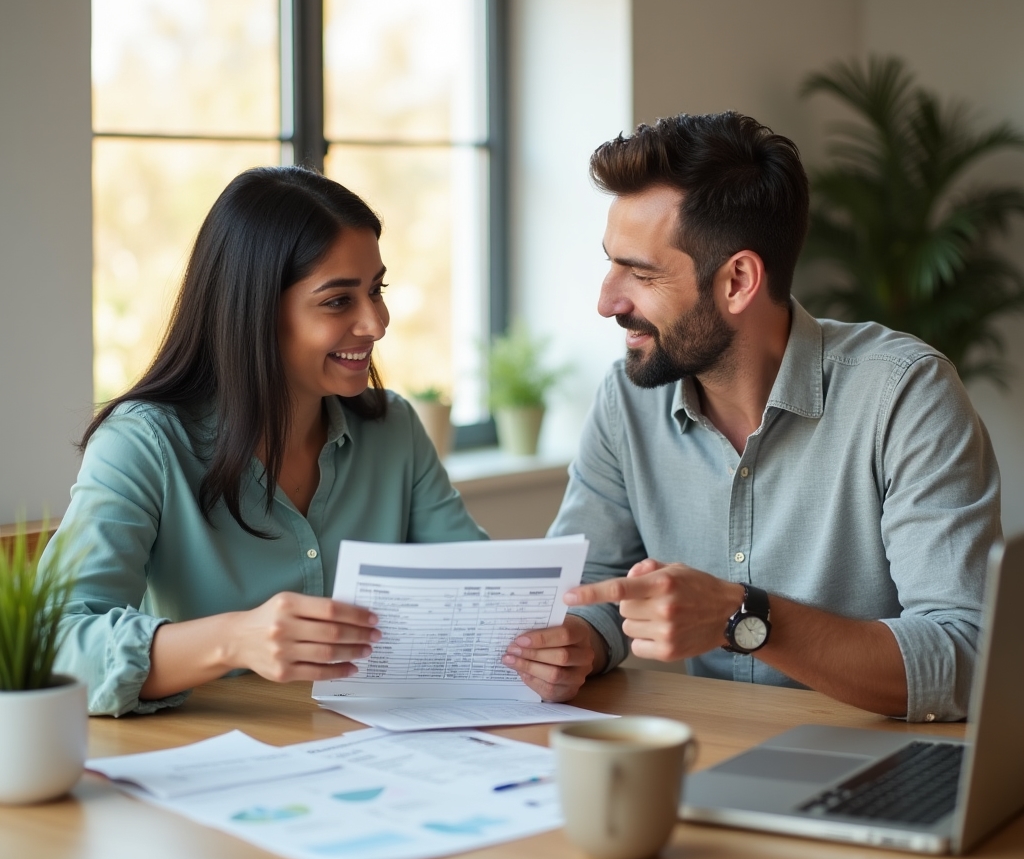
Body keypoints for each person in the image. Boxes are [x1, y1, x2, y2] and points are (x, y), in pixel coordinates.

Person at [501, 112, 1001, 722]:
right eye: (611, 264)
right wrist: (579, 640)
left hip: (880, 761)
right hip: (713, 746)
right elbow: (595, 584)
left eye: (640, 272)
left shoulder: (904, 394)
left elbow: (967, 655)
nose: (607, 301)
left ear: (737, 280)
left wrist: (745, 615)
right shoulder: (628, 399)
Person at [52, 166, 488, 716]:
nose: (377, 322)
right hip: (204, 764)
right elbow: (54, 645)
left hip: (371, 754)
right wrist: (236, 639)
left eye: (376, 290)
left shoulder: (393, 428)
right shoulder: (142, 443)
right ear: (254, 310)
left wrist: (559, 639)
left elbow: (480, 589)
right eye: (338, 301)